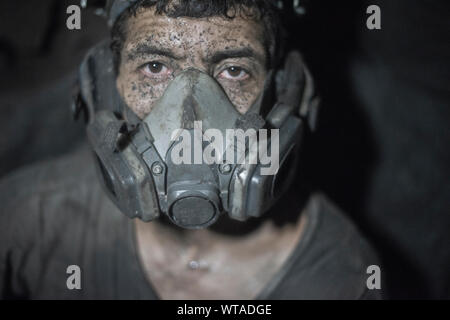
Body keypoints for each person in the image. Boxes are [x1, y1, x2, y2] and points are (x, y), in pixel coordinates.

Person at [0, 0, 382, 299]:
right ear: (104, 84)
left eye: (233, 70)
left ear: (286, 93)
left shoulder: (340, 278)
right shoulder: (25, 221)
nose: (190, 118)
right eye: (154, 67)